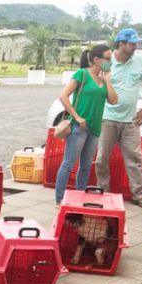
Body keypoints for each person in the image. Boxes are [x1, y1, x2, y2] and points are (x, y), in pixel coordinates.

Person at [95, 28, 142, 209]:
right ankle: (102, 192)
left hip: (130, 120)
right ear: (121, 44)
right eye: (132, 43)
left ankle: (139, 194)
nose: (135, 46)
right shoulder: (107, 62)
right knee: (102, 158)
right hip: (108, 118)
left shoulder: (140, 61)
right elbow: (97, 85)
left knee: (134, 158)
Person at [54, 45, 117, 204]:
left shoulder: (104, 78)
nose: (110, 61)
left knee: (86, 166)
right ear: (96, 60)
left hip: (95, 128)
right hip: (78, 127)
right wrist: (77, 116)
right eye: (108, 58)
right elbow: (63, 96)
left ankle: (79, 197)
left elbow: (114, 100)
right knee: (68, 163)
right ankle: (60, 200)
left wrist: (107, 80)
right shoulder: (82, 74)